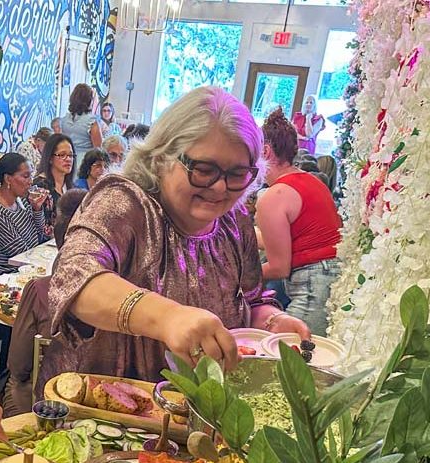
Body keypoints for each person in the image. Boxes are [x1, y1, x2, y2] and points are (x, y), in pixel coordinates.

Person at [40, 86, 309, 389]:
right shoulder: (124, 201)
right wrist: (168, 317)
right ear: (161, 157)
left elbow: (251, 300)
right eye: (204, 169)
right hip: (107, 405)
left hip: (200, 406)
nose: (220, 188)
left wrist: (272, 322)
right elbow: (73, 277)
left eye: (237, 174)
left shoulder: (234, 222)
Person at [256, 108, 342, 336]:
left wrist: (239, 275)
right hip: (330, 276)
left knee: (292, 349)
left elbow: (279, 266)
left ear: (265, 151)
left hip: (313, 283)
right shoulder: (312, 182)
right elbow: (297, 239)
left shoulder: (274, 196)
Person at [3, 189, 87, 416]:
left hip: (46, 405)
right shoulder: (127, 295)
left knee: (14, 380)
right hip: (98, 405)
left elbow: (18, 366)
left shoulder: (41, 290)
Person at [0, 154, 48, 274]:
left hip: (30, 266)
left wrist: (37, 209)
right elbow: (21, 255)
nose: (30, 182)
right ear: (7, 179)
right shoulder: (0, 213)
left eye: (31, 176)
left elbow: (40, 235)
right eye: (26, 176)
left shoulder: (22, 201)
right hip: (10, 275)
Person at [33, 134, 76, 230]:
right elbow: (41, 227)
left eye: (70, 155)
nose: (68, 159)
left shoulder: (71, 186)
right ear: (50, 158)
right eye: (62, 155)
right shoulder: (39, 187)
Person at [60, 84, 102, 171]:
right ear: (89, 100)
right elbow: (98, 150)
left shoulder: (64, 120)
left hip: (67, 160)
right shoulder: (92, 122)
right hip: (85, 163)